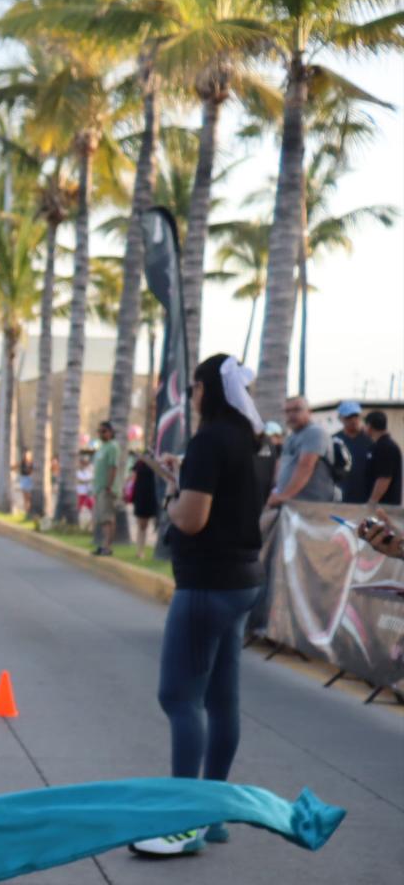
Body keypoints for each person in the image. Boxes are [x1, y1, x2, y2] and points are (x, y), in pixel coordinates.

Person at [130, 355, 266, 858]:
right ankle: (212, 816)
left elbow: (190, 520)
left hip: (206, 584)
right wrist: (182, 478)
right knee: (222, 700)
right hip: (241, 582)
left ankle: (181, 824)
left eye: (195, 386)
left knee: (178, 697)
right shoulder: (253, 440)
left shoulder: (209, 439)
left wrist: (172, 499)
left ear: (209, 389)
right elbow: (228, 501)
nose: (191, 394)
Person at [268, 395, 335, 507]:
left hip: (311, 506)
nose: (291, 415)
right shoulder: (292, 436)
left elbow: (306, 466)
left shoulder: (314, 432)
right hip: (293, 505)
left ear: (309, 412)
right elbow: (283, 465)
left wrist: (284, 496)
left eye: (297, 410)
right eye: (287, 411)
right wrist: (276, 491)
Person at [90, 420, 124, 555]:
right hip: (99, 488)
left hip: (107, 489)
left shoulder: (113, 447)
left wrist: (109, 486)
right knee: (102, 519)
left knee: (108, 518)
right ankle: (104, 545)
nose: (101, 434)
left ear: (110, 432)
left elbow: (113, 467)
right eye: (99, 431)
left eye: (103, 431)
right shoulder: (102, 447)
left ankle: (107, 547)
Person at [333, 403, 373, 504]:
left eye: (356, 416)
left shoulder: (370, 439)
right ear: (340, 418)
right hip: (341, 495)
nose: (353, 420)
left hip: (366, 496)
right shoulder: (335, 440)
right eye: (349, 417)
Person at [129, 450, 161, 559]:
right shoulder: (139, 464)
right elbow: (132, 477)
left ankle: (149, 550)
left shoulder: (155, 463)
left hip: (152, 496)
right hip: (141, 497)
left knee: (154, 525)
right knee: (142, 525)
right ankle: (140, 551)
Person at [364, 410, 400, 507]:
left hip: (384, 506)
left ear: (369, 426)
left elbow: (384, 478)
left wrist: (372, 502)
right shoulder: (376, 446)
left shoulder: (386, 447)